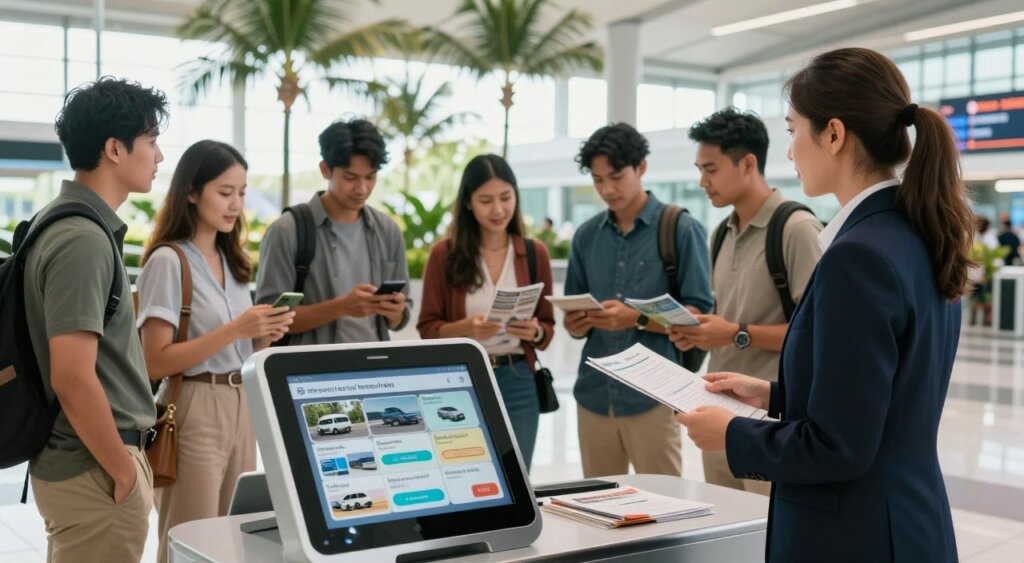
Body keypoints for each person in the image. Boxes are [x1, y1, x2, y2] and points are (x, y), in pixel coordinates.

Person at [677, 47, 972, 562]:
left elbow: (841, 448)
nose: (790, 152)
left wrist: (732, 435)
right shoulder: (914, 233)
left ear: (833, 134)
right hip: (906, 519)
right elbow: (881, 402)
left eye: (793, 130)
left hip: (856, 535)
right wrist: (772, 395)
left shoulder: (857, 257)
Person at [24, 77, 166, 561]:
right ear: (114, 149)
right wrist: (122, 474)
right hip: (96, 468)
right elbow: (72, 376)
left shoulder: (62, 223)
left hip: (88, 463)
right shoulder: (83, 239)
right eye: (151, 141)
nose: (159, 156)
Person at [136, 140, 295, 563]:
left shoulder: (235, 261)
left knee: (233, 535)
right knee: (189, 537)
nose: (236, 204)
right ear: (191, 191)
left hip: (242, 403)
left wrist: (262, 336)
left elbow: (238, 347)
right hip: (194, 405)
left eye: (241, 192)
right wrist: (235, 330)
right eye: (225, 192)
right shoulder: (168, 262)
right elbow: (155, 360)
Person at [671, 108, 822, 495]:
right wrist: (702, 328)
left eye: (711, 169)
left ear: (748, 163)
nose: (702, 181)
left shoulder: (797, 230)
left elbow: (819, 334)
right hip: (718, 414)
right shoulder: (722, 232)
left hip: (770, 422)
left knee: (765, 535)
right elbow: (730, 317)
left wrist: (735, 334)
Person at [565, 123, 713, 478]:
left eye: (615, 176)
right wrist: (576, 322)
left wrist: (635, 318)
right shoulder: (586, 237)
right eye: (598, 180)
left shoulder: (679, 228)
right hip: (594, 395)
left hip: (654, 398)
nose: (607, 189)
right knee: (598, 505)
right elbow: (572, 317)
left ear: (641, 168)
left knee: (666, 505)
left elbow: (699, 316)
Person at [418, 154, 555, 470]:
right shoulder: (444, 255)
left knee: (517, 477)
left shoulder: (535, 254)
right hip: (461, 379)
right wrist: (466, 328)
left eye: (506, 198)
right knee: (464, 471)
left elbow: (547, 327)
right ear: (468, 203)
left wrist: (533, 332)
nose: (498, 210)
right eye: (486, 200)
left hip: (519, 377)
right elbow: (427, 329)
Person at [256, 118, 410, 344]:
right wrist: (340, 307)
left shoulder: (388, 231)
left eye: (371, 177)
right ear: (325, 169)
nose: (362, 189)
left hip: (376, 371)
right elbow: (269, 319)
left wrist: (396, 313)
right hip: (310, 374)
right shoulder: (287, 230)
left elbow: (402, 317)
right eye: (350, 177)